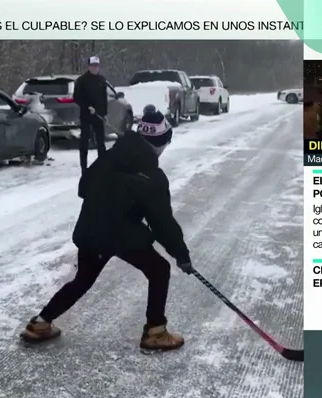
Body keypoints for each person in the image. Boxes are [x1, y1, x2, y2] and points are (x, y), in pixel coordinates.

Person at [20, 126, 195, 351]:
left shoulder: (109, 157)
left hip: (91, 228)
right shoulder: (153, 176)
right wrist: (181, 256)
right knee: (159, 270)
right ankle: (156, 332)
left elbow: (83, 188)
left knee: (82, 280)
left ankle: (40, 324)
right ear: (160, 143)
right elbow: (162, 223)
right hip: (115, 234)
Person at [73, 56, 109, 173]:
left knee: (101, 141)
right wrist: (87, 106)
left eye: (97, 66)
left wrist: (104, 114)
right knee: (84, 141)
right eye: (93, 66)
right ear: (89, 66)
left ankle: (103, 165)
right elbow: (76, 97)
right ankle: (84, 167)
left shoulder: (102, 80)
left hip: (99, 115)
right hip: (86, 115)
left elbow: (104, 99)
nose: (95, 68)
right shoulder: (82, 80)